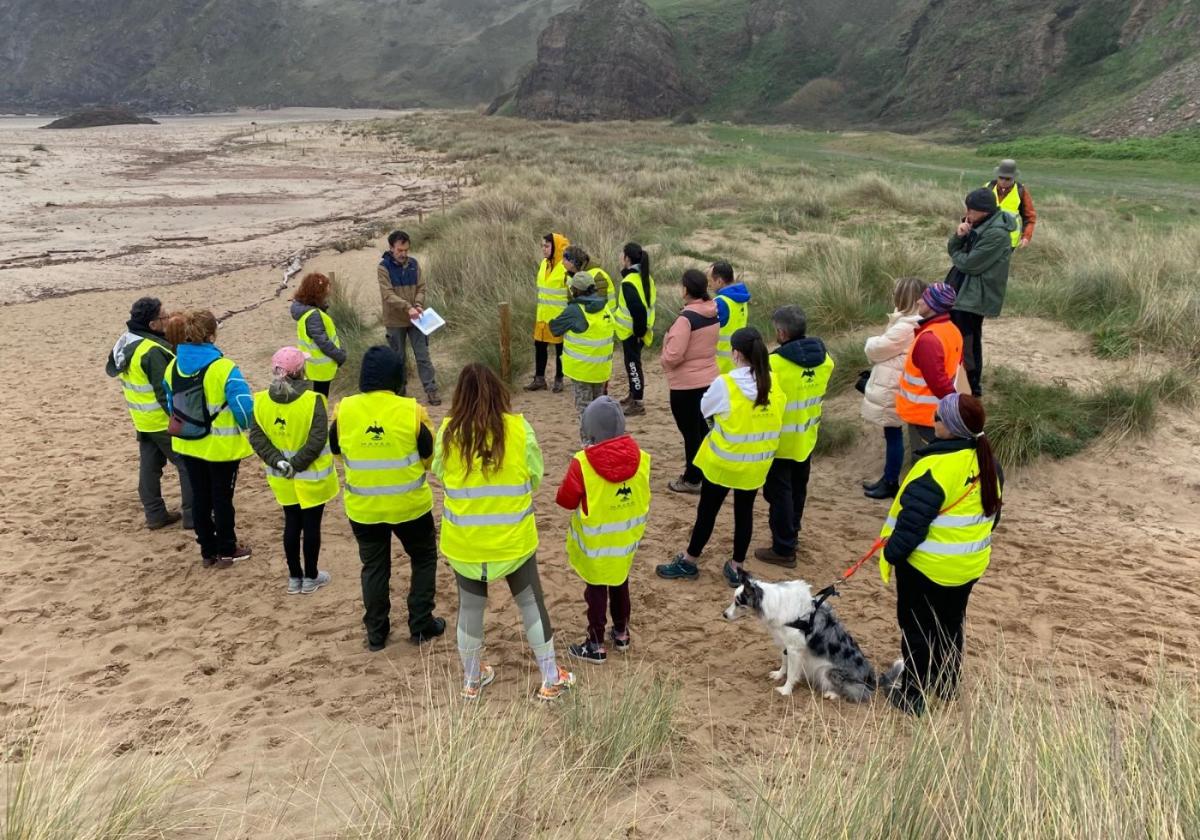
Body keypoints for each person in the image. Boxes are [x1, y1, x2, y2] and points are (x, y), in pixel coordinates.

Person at [434, 363, 575, 701]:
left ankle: (472, 679)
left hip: (465, 543)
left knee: (470, 608)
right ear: (500, 393)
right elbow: (536, 475)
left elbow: (440, 472)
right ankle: (550, 677)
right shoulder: (518, 429)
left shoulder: (448, 432)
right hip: (513, 540)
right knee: (530, 605)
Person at [878, 393, 1003, 716]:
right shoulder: (988, 464)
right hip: (969, 566)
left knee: (917, 628)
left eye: (937, 418)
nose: (932, 422)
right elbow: (993, 516)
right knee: (950, 625)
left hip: (926, 567)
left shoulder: (933, 466)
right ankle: (946, 684)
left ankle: (913, 694)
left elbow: (911, 525)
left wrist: (892, 554)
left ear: (950, 427)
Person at [331, 345, 445, 651]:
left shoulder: (344, 410)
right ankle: (421, 624)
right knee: (423, 559)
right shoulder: (411, 411)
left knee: (374, 567)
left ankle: (376, 633)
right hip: (410, 506)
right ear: (397, 376)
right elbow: (429, 456)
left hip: (364, 508)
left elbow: (337, 451)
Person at [657, 327, 784, 586]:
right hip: (756, 464)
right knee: (744, 512)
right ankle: (737, 565)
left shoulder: (726, 383)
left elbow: (706, 408)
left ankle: (690, 560)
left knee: (708, 511)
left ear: (736, 353)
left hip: (724, 462)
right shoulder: (773, 382)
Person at [555, 397, 650, 664]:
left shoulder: (583, 463)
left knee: (595, 590)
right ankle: (621, 633)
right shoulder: (641, 458)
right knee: (620, 583)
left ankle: (595, 643)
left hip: (595, 544)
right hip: (625, 541)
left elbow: (565, 500)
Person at [163, 310, 254, 568]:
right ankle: (227, 549)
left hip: (188, 443)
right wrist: (248, 426)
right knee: (221, 499)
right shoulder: (224, 368)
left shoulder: (172, 367)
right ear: (212, 335)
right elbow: (243, 406)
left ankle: (207, 552)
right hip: (220, 446)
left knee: (200, 498)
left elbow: (171, 404)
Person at [249, 346, 337, 594]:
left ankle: (294, 577)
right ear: (301, 371)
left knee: (291, 523)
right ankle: (310, 576)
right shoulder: (313, 400)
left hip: (281, 476)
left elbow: (257, 437)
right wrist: (296, 464)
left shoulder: (260, 400)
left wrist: (278, 462)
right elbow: (317, 438)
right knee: (310, 526)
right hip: (311, 476)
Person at [754, 306, 834, 568]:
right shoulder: (826, 360)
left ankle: (784, 548)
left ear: (781, 332)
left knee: (780, 495)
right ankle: (792, 532)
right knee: (798, 489)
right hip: (807, 436)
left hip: (780, 442)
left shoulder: (775, 364)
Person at [106, 297, 193, 531]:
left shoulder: (126, 342)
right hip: (161, 419)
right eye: (164, 317)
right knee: (187, 464)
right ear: (153, 325)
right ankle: (193, 515)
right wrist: (180, 419)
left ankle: (155, 514)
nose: (168, 320)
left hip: (142, 418)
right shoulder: (152, 351)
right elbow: (164, 391)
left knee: (150, 467)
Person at [861, 278, 926, 500]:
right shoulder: (911, 321)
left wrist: (871, 341)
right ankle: (889, 480)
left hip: (894, 384)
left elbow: (877, 349)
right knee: (893, 432)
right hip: (896, 381)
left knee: (893, 432)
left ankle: (890, 481)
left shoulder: (907, 325)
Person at [948, 189, 1015, 398]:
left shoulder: (997, 233)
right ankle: (957, 380)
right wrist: (959, 236)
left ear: (985, 211)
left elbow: (969, 264)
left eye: (972, 210)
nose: (967, 213)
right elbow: (957, 252)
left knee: (967, 342)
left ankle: (972, 388)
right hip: (963, 291)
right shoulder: (976, 225)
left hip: (974, 297)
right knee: (956, 338)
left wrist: (956, 254)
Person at [661, 269, 719, 495]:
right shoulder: (712, 311)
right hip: (708, 379)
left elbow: (674, 355)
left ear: (686, 289)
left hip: (686, 385)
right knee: (703, 429)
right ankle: (705, 472)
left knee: (690, 433)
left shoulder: (686, 319)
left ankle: (693, 478)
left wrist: (664, 357)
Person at [895, 283, 963, 473]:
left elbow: (938, 382)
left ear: (933, 304)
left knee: (922, 465)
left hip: (925, 416)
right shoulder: (951, 330)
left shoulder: (929, 340)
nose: (918, 301)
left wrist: (955, 409)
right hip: (936, 414)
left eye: (923, 298)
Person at [378, 230, 440, 405]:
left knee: (423, 355)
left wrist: (418, 305)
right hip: (395, 320)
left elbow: (421, 287)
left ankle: (431, 390)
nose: (404, 254)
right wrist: (408, 307)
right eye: (400, 250)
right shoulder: (383, 268)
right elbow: (387, 294)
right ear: (391, 248)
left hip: (417, 319)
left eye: (406, 250)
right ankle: (400, 391)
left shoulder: (413, 264)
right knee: (398, 358)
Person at [549, 271, 615, 431]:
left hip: (582, 371)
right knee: (599, 410)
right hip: (601, 370)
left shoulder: (575, 310)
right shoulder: (604, 306)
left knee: (585, 411)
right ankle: (601, 443)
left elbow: (555, 328)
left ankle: (589, 446)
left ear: (575, 290)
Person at [612, 242, 657, 416]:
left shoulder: (629, 282)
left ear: (627, 258)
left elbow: (638, 309)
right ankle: (633, 394)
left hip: (633, 332)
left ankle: (637, 402)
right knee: (631, 363)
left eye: (621, 255)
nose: (619, 257)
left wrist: (638, 333)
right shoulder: (645, 278)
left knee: (633, 365)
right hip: (639, 331)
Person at [526, 232, 571, 393]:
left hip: (558, 316)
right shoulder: (544, 263)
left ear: (556, 247)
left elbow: (571, 292)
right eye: (542, 246)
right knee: (539, 346)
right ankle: (539, 378)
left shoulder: (565, 267)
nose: (543, 249)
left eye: (547, 245)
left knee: (560, 350)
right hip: (542, 315)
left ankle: (559, 379)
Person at [291, 272, 346, 398]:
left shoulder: (306, 311)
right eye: (326, 288)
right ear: (318, 292)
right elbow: (323, 342)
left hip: (310, 365)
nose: (329, 292)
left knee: (313, 400)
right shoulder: (314, 315)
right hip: (320, 367)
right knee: (319, 401)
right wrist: (340, 356)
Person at [710, 261, 750, 374]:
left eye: (710, 281)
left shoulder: (720, 303)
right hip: (739, 362)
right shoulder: (742, 299)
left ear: (719, 281)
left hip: (721, 366)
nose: (709, 285)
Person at [986, 159, 1036, 249]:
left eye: (1008, 178)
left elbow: (1030, 218)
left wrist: (1026, 237)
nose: (1004, 181)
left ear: (1014, 178)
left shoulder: (1021, 191)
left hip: (1009, 242)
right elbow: (974, 211)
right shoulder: (987, 187)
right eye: (1001, 177)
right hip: (986, 238)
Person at [563, 245, 614, 310]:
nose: (562, 263)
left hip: (605, 317)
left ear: (572, 262)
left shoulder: (597, 275)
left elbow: (599, 303)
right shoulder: (571, 277)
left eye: (564, 260)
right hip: (587, 318)